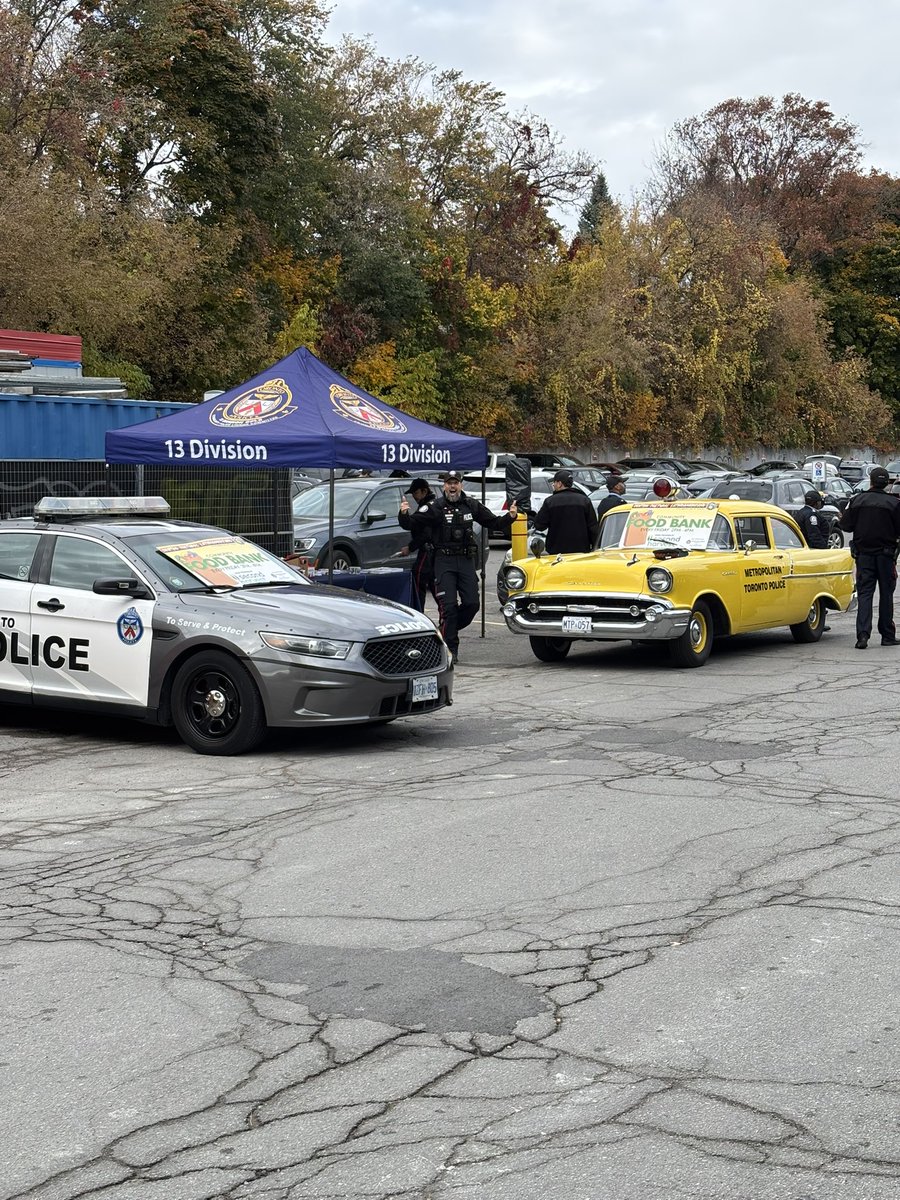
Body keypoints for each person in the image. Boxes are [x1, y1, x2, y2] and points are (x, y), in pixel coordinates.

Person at [408, 470, 517, 660]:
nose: (452, 486)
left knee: (472, 604)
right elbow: (411, 523)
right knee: (449, 607)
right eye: (449, 483)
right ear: (444, 486)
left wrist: (511, 516)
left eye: (455, 483)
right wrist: (403, 514)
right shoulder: (435, 507)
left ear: (461, 485)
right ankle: (451, 648)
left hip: (466, 560)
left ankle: (445, 628)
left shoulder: (471, 505)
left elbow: (494, 522)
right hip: (444, 562)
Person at [840, 466, 900, 649]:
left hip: (864, 555)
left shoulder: (856, 500)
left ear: (871, 482)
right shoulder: (894, 503)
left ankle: (863, 636)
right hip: (886, 556)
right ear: (887, 484)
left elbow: (845, 526)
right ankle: (887, 635)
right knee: (886, 594)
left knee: (865, 594)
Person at [531, 470, 599, 553]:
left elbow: (539, 525)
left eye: (554, 482)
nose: (553, 485)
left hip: (557, 550)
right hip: (581, 550)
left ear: (560, 484)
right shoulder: (584, 500)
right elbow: (593, 527)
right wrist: (595, 546)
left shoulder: (550, 501)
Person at [397, 477, 436, 612]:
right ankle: (447, 619)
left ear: (424, 491)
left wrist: (410, 547)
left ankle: (418, 615)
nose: (414, 496)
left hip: (429, 553)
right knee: (437, 589)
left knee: (418, 583)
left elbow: (425, 533)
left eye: (415, 493)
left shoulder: (428, 507)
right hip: (434, 554)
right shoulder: (426, 505)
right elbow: (411, 524)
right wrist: (403, 513)